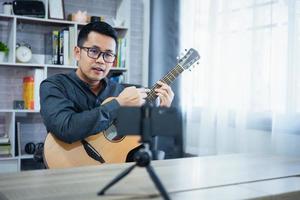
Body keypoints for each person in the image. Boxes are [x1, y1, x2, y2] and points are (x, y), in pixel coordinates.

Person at [40, 21, 174, 146]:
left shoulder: (123, 91)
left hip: (114, 165)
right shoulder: (54, 86)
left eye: (108, 55)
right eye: (93, 51)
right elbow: (66, 129)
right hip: (68, 166)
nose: (101, 60)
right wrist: (118, 104)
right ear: (77, 53)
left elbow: (136, 139)